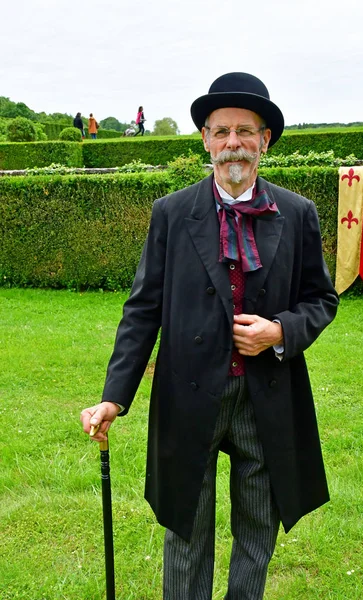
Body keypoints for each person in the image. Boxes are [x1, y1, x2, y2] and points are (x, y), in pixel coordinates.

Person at [80, 72, 339, 599]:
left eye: (246, 131)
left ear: (265, 139)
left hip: (267, 395)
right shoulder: (172, 214)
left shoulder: (297, 213)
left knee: (256, 532)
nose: (233, 143)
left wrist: (280, 330)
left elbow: (321, 299)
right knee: (186, 532)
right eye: (221, 132)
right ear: (205, 139)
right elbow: (143, 309)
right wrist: (114, 396)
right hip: (189, 394)